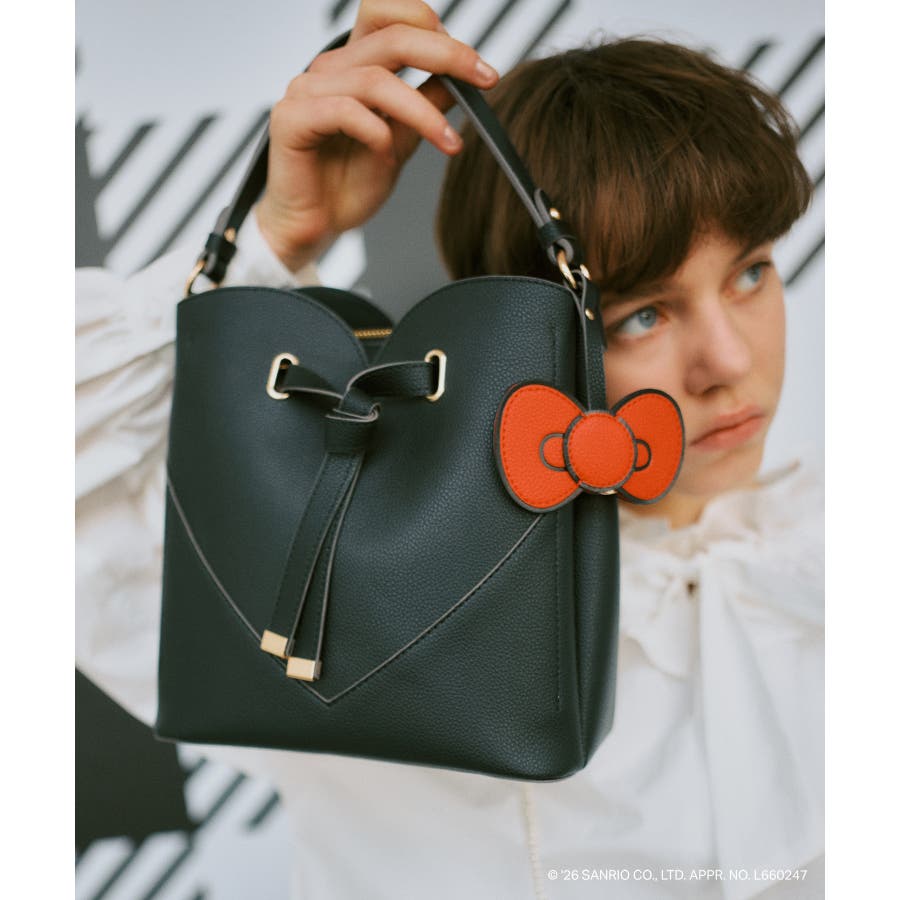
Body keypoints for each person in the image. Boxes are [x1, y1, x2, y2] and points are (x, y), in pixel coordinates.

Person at [75, 1, 824, 898]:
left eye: (751, 272)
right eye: (642, 315)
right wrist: (273, 243)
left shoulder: (824, 547)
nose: (728, 362)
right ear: (535, 332)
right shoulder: (366, 576)